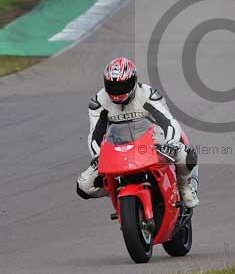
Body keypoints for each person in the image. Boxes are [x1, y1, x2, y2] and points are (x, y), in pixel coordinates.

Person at [76, 57, 199, 208]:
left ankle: (184, 188)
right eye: (113, 86)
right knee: (84, 186)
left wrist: (171, 143)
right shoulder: (99, 102)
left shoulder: (149, 94)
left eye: (122, 86)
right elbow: (95, 133)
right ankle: (117, 191)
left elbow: (168, 121)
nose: (117, 91)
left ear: (133, 81)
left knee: (186, 155)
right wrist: (97, 156)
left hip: (153, 143)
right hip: (118, 147)